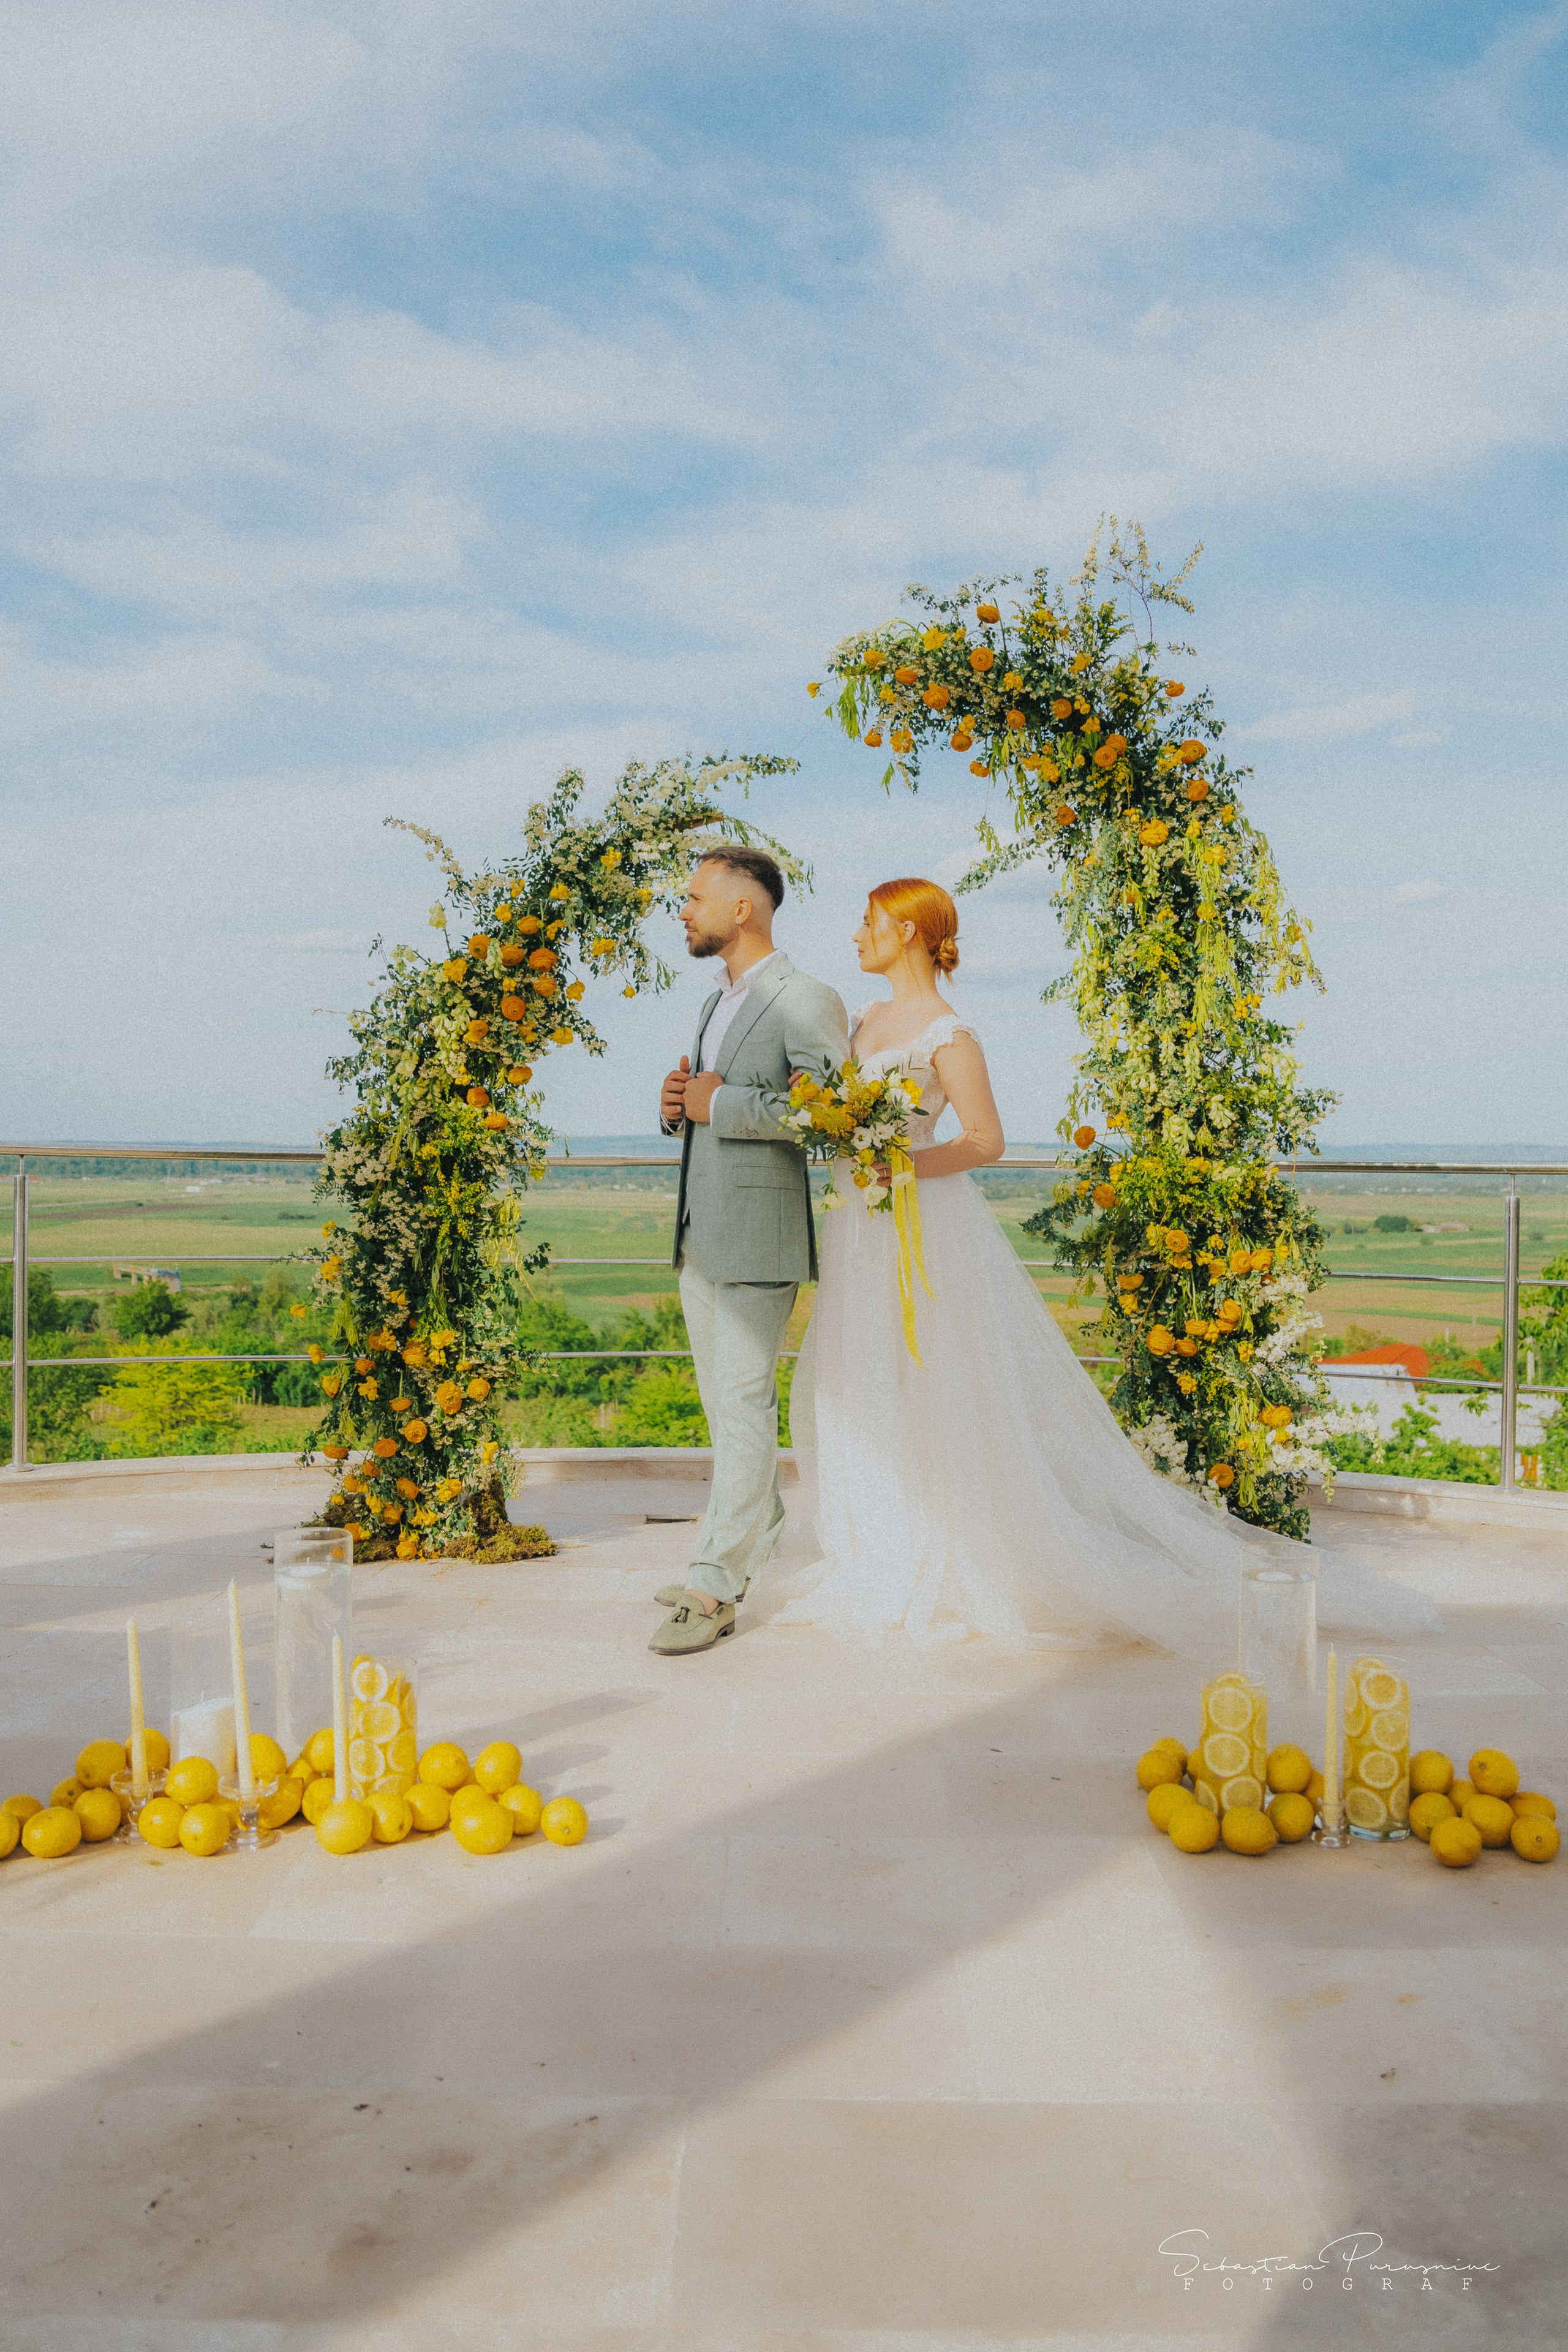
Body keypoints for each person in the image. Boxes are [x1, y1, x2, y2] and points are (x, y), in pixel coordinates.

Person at [756, 875, 1438, 1656]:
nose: (856, 936)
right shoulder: (863, 1019)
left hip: (920, 1220)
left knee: (935, 1375)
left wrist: (902, 1165)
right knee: (867, 1371)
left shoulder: (950, 1034)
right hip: (861, 1226)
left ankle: (945, 1545)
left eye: (867, 921)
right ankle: (878, 1539)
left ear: (907, 931)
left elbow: (985, 1140)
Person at [649, 846, 849, 1656]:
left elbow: (835, 1116)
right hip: (702, 1234)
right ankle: (752, 1524)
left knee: (741, 1409)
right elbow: (709, 1108)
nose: (683, 910)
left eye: (695, 897)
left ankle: (714, 1582)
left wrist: (720, 1101)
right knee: (725, 1413)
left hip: (761, 1239)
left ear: (745, 908)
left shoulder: (808, 1000)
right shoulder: (714, 1004)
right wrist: (678, 1107)